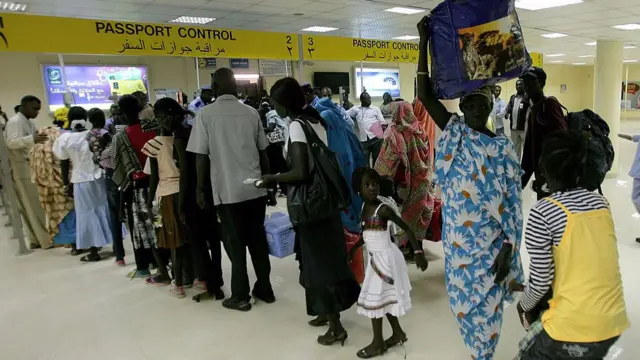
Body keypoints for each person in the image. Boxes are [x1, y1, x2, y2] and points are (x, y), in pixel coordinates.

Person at [416, 17, 524, 360]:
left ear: (491, 105)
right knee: (464, 304)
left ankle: (485, 353)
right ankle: (478, 351)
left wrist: (509, 247)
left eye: (482, 104)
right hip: (460, 244)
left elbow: (513, 200)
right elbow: (424, 94)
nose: (476, 110)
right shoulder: (456, 132)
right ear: (462, 107)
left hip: (492, 243)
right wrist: (422, 42)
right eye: (470, 105)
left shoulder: (503, 148)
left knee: (489, 306)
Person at [260, 77, 360, 346]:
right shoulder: (316, 119)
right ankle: (325, 312)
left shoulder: (295, 125)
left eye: (276, 102)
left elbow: (301, 171)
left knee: (318, 264)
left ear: (284, 103)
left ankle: (336, 326)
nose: (274, 107)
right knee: (322, 258)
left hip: (311, 206)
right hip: (326, 202)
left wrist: (273, 178)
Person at [516, 131, 629, 359]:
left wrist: (523, 306)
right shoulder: (601, 202)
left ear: (543, 170)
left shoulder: (542, 212)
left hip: (576, 325)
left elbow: (540, 282)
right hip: (612, 319)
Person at [188, 67, 274, 312]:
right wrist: (267, 185)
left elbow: (201, 158)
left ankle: (240, 295)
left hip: (227, 191)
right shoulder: (251, 113)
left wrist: (200, 189)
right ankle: (265, 289)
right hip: (254, 189)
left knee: (235, 245)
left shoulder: (204, 115)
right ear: (235, 87)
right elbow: (263, 152)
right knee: (257, 240)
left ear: (214, 88)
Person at [349, 167, 428, 358]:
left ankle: (378, 343)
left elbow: (407, 228)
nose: (372, 188)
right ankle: (398, 333)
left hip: (386, 261)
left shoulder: (382, 209)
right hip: (375, 259)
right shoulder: (363, 208)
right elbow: (367, 234)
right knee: (382, 298)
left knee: (375, 299)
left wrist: (418, 251)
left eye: (375, 184)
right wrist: (353, 248)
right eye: (367, 185)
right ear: (358, 188)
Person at [144, 98, 195, 298]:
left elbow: (154, 177)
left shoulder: (153, 144)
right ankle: (190, 277)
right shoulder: (182, 138)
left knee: (172, 241)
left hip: (164, 196)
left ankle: (178, 283)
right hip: (183, 192)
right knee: (186, 239)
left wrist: (149, 203)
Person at [374, 101, 434, 257]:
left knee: (404, 214)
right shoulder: (420, 130)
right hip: (421, 178)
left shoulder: (394, 132)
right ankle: (417, 247)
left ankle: (408, 247)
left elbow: (388, 159)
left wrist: (379, 176)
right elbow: (428, 153)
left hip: (402, 181)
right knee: (417, 212)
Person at [53, 107, 113, 262]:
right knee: (104, 209)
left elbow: (64, 163)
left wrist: (66, 185)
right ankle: (114, 247)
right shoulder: (94, 134)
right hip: (99, 177)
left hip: (80, 180)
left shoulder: (64, 139)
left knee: (87, 214)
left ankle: (93, 252)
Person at [113, 95, 159, 278]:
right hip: (157, 183)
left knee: (139, 228)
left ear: (121, 112)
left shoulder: (121, 137)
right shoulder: (153, 129)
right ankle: (161, 261)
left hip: (136, 187)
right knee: (158, 223)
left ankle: (143, 267)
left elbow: (121, 170)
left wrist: (122, 201)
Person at [312, 96, 366, 234]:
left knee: (342, 193)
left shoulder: (327, 121)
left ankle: (348, 227)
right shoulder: (342, 122)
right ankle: (356, 223)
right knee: (352, 192)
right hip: (351, 165)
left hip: (340, 167)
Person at [5, 95, 50, 249]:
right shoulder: (15, 122)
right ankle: (45, 240)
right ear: (24, 106)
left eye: (38, 109)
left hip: (29, 166)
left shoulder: (27, 122)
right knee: (34, 206)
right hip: (21, 168)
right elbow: (11, 143)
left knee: (31, 207)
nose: (37, 112)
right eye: (34, 109)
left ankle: (36, 240)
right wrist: (32, 139)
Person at [521, 67, 567, 199]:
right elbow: (530, 149)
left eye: (531, 82)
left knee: (552, 211)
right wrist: (521, 181)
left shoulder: (549, 104)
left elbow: (561, 139)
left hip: (552, 175)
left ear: (541, 83)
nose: (526, 86)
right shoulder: (534, 109)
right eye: (525, 83)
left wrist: (549, 175)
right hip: (542, 174)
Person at [86, 108, 125, 265]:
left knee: (114, 213)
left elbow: (93, 153)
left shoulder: (89, 135)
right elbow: (115, 149)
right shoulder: (105, 133)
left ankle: (119, 255)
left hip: (106, 172)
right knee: (121, 211)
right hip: (117, 171)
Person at [28, 125, 76, 249]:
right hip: (64, 187)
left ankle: (69, 242)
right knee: (71, 213)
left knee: (60, 216)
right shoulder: (57, 150)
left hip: (49, 191)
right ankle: (76, 241)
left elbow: (36, 174)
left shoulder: (36, 152)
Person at [348, 92, 385, 166]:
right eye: (367, 99)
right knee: (365, 162)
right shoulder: (356, 109)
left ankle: (375, 177)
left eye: (370, 98)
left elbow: (382, 121)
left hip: (376, 139)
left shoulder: (375, 109)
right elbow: (345, 114)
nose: (369, 100)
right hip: (363, 140)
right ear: (362, 100)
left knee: (376, 162)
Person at [618, 132, 640, 243]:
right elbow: (632, 138)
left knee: (636, 199)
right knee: (635, 198)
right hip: (638, 174)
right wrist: (617, 134)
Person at [505, 80, 529, 161]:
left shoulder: (527, 97)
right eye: (517, 85)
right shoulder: (513, 97)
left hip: (524, 129)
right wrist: (506, 113)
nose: (518, 86)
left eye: (520, 85)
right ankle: (517, 165)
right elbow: (509, 107)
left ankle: (525, 166)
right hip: (513, 129)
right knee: (515, 148)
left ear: (524, 86)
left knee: (526, 149)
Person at [413, 98, 437, 167]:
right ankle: (429, 166)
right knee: (429, 146)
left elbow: (415, 116)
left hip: (421, 130)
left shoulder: (419, 99)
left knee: (421, 151)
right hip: (430, 127)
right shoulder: (432, 100)